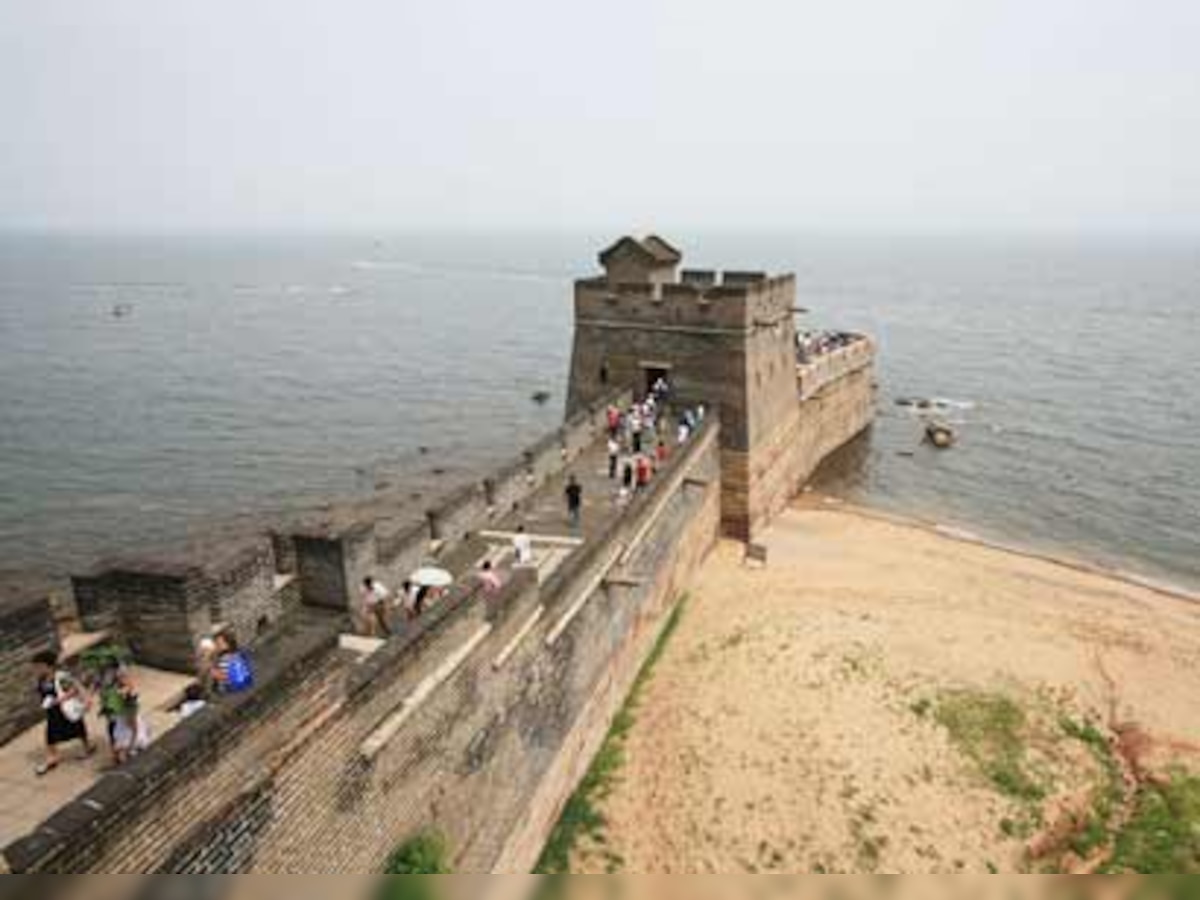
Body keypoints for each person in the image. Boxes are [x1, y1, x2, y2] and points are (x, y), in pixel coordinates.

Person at [32, 651, 92, 776]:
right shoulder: (41, 679)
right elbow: (42, 693)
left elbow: (72, 690)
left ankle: (87, 747)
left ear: (47, 666)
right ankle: (52, 757)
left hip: (64, 709)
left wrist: (58, 701)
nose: (36, 669)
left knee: (77, 728)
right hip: (52, 712)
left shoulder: (60, 677)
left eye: (38, 666)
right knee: (50, 735)